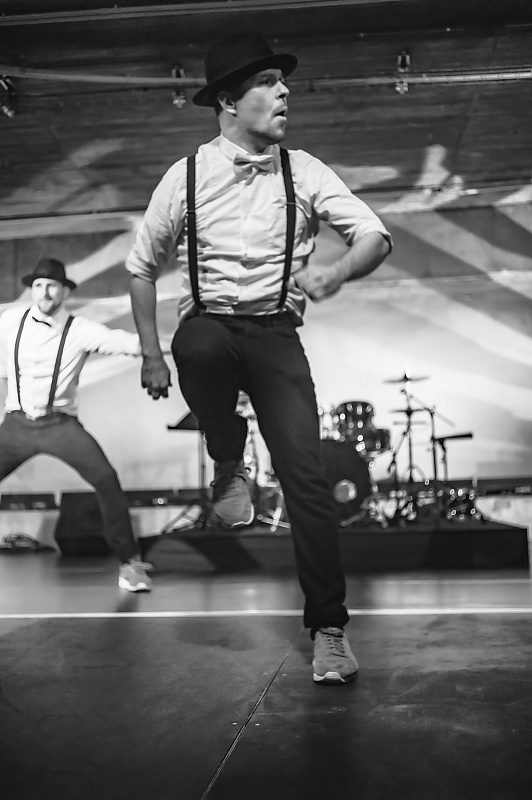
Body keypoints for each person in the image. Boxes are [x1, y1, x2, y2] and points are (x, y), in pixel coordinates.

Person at [126, 32, 392, 683]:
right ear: (227, 100)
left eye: (282, 81)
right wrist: (151, 355)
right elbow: (140, 269)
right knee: (198, 342)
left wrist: (336, 272)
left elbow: (373, 235)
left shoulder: (304, 171)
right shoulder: (185, 176)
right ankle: (228, 456)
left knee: (306, 478)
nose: (284, 91)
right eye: (268, 83)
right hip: (210, 327)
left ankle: (329, 628)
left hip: (275, 335)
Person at [0, 257, 152, 592]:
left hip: (60, 425)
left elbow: (129, 344)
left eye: (52, 286)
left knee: (106, 479)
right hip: (16, 425)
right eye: (39, 285)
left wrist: (173, 345)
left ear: (65, 291)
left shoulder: (80, 329)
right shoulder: (10, 322)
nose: (45, 292)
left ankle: (130, 564)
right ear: (32, 290)